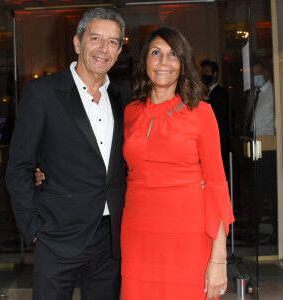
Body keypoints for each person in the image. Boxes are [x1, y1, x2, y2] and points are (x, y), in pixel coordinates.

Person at [5, 8, 130, 300]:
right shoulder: (42, 93)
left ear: (120, 49)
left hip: (110, 238)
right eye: (96, 38)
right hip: (56, 235)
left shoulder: (122, 98)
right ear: (78, 43)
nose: (104, 49)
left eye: (113, 42)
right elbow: (19, 167)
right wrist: (33, 229)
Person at [120, 27, 234, 299]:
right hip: (138, 233)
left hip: (189, 235)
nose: (163, 62)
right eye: (155, 53)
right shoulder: (130, 112)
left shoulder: (201, 112)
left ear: (183, 63)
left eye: (173, 55)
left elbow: (217, 184)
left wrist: (218, 259)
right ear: (144, 61)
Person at [245, 61, 277, 242]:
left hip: (269, 149)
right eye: (253, 74)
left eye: (258, 73)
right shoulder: (253, 95)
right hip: (254, 148)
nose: (255, 77)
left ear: (265, 73)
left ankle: (277, 230)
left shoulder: (273, 93)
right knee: (255, 191)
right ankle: (254, 229)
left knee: (272, 191)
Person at [201, 59, 230, 180]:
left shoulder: (221, 93)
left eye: (207, 72)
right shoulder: (203, 94)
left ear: (215, 74)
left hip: (218, 142)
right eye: (203, 72)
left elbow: (219, 119)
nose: (204, 75)